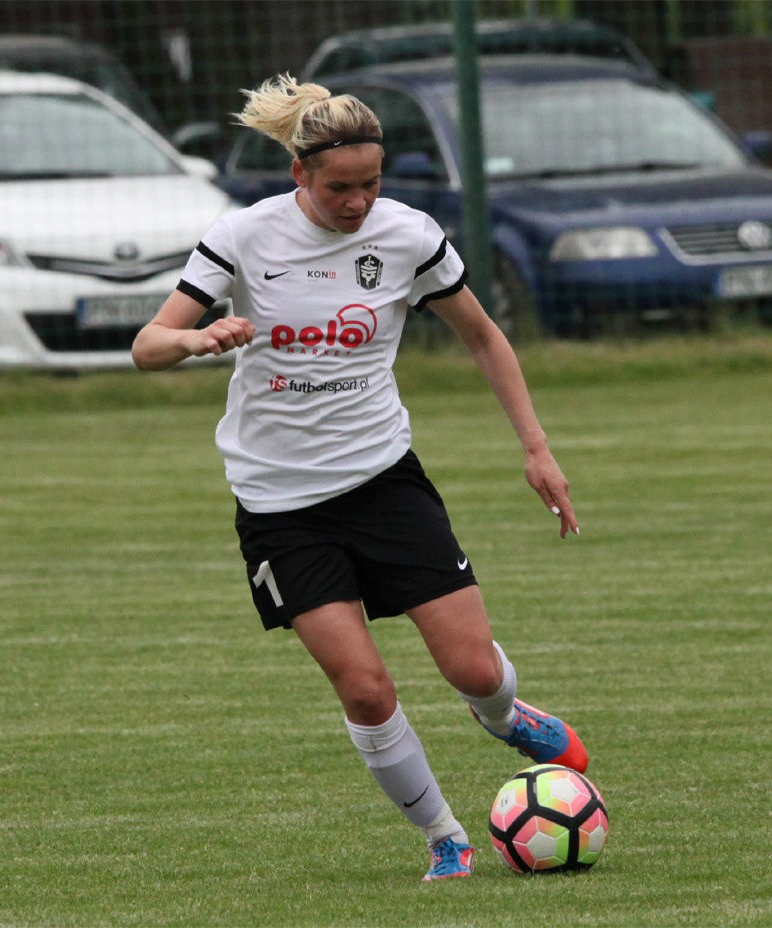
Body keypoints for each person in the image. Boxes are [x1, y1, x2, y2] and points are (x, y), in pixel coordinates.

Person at [132, 73, 588, 882]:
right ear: (299, 173)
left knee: (473, 670)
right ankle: (445, 837)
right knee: (367, 690)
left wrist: (536, 447)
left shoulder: (409, 236)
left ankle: (503, 713)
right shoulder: (244, 236)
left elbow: (484, 337)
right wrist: (196, 340)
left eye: (371, 184)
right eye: (339, 188)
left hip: (384, 481)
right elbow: (147, 345)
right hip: (280, 506)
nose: (357, 203)